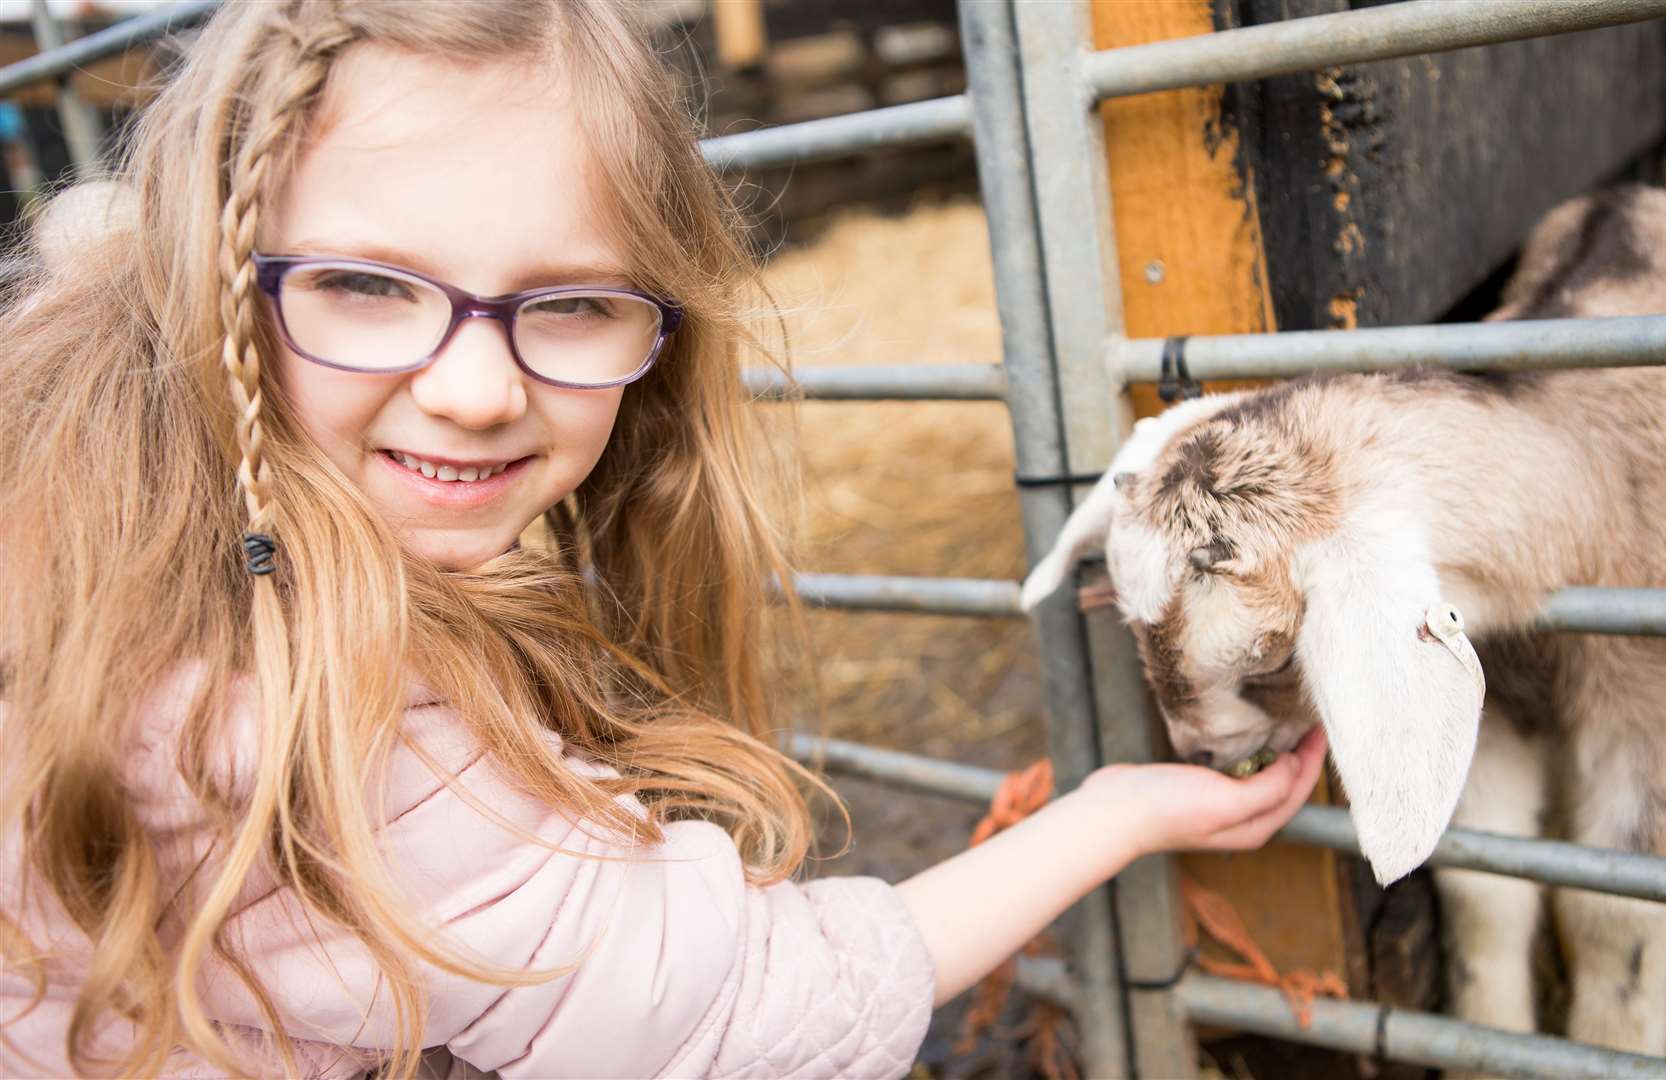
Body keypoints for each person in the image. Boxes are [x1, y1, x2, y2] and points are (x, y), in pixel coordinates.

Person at [0, 2, 1328, 1077]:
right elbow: (745, 1021)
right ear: (214, 274)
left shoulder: (83, 474)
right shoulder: (338, 715)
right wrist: (1110, 819)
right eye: (362, 284)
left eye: (571, 304)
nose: (474, 389)